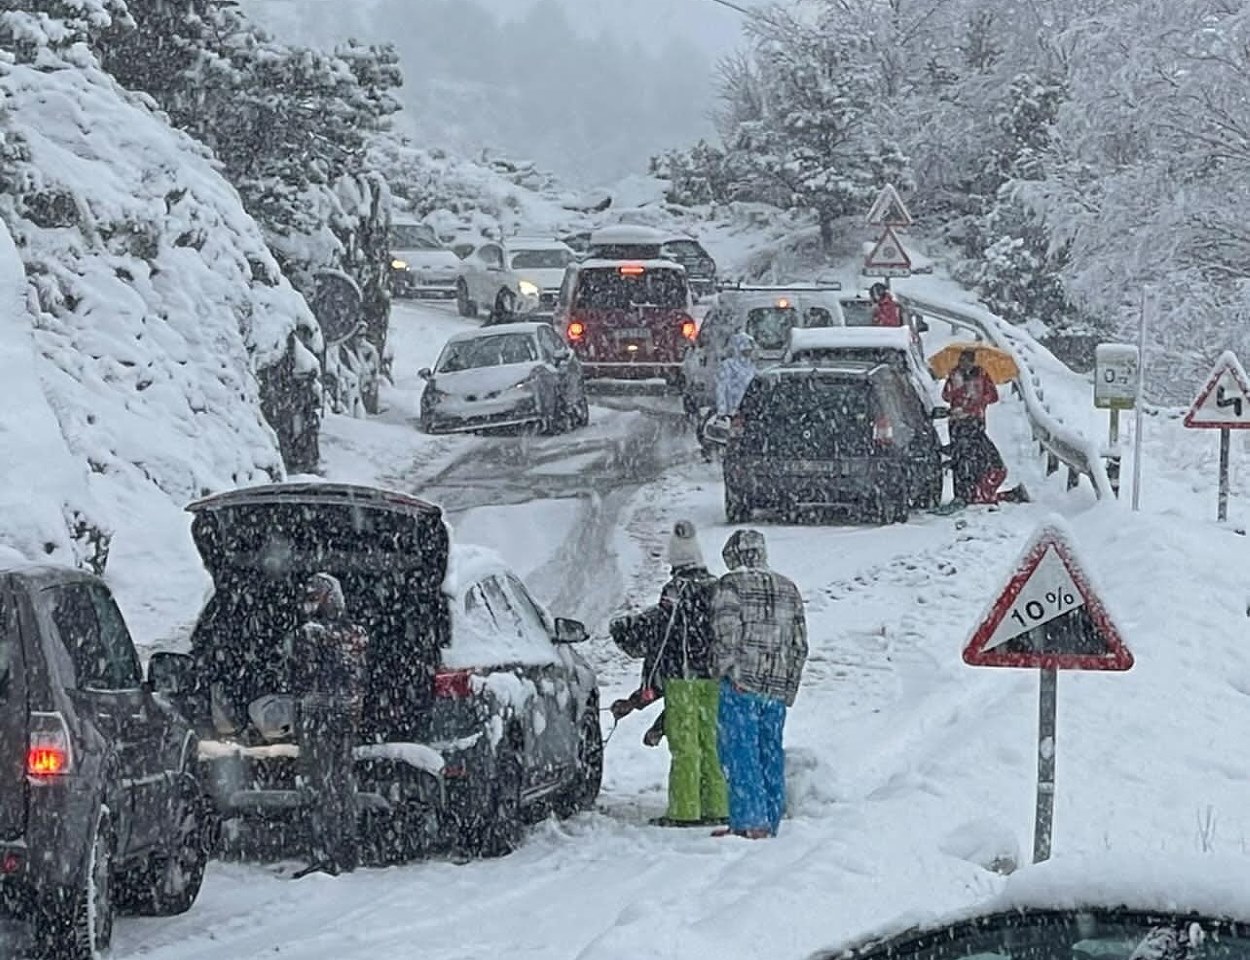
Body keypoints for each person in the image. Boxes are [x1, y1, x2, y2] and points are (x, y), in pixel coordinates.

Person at [610, 521, 730, 827]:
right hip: (714, 678)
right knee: (711, 742)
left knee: (685, 746)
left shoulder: (676, 591)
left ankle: (684, 810)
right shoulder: (717, 587)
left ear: (674, 564)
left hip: (683, 678)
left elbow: (662, 640)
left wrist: (647, 688)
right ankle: (717, 806)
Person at [710, 529, 808, 839]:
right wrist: (788, 687)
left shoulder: (731, 585)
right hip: (776, 687)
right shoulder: (789, 588)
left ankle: (749, 822)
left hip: (743, 684)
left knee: (740, 753)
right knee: (770, 752)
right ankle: (771, 815)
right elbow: (799, 644)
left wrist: (730, 671)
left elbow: (727, 632)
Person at [290, 572, 369, 878]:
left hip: (319, 715)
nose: (310, 601)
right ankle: (345, 848)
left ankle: (325, 852)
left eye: (315, 595)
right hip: (348, 713)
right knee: (341, 780)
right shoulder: (357, 632)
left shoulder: (310, 633)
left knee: (320, 783)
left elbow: (302, 675)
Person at [941, 350, 1026, 505]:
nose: (964, 364)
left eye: (968, 361)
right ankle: (963, 493)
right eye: (962, 360)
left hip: (975, 421)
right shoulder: (955, 375)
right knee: (960, 458)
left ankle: (976, 491)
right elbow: (946, 396)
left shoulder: (981, 374)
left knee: (976, 457)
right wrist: (958, 390)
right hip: (956, 422)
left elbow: (993, 396)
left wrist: (977, 400)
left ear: (973, 362)